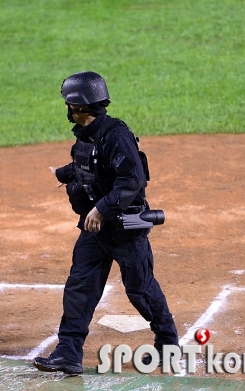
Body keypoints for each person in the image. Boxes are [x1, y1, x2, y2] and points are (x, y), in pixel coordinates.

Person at [33, 71, 178, 374]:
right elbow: (85, 165)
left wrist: (101, 208)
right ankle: (68, 353)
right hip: (94, 229)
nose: (67, 107)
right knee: (80, 287)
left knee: (139, 289)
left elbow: (133, 180)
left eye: (69, 102)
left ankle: (168, 344)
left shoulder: (116, 135)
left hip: (124, 228)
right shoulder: (86, 135)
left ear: (80, 106)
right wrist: (63, 175)